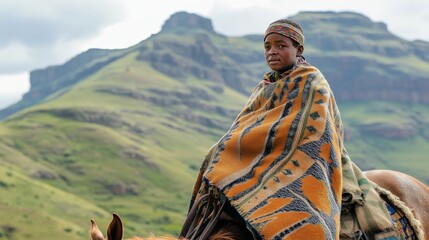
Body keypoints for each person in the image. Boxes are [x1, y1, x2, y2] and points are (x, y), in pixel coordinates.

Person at [180, 19, 399, 240]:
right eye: (267, 47)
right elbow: (245, 130)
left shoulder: (313, 82)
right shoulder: (263, 87)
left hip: (308, 161)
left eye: (281, 46)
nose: (272, 52)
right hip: (266, 163)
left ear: (298, 49)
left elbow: (314, 134)